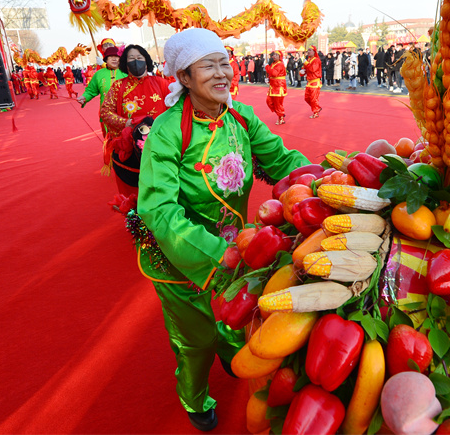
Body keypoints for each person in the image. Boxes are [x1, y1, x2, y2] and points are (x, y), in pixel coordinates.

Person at [137, 28, 309, 432]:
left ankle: (232, 352)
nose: (221, 74)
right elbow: (159, 210)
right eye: (207, 66)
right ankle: (194, 398)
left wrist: (320, 184)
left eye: (224, 63)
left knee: (236, 315)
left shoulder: (240, 117)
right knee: (195, 340)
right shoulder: (166, 132)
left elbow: (283, 161)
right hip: (179, 254)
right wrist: (220, 256)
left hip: (236, 242)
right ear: (183, 78)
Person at [101, 44, 171, 195]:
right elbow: (105, 112)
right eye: (131, 58)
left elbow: (175, 111)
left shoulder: (161, 83)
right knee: (134, 193)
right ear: (125, 64)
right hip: (129, 148)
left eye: (139, 58)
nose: (136, 61)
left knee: (162, 189)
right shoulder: (118, 86)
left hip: (160, 145)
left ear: (146, 61)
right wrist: (127, 123)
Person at [80, 47, 128, 135]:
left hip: (126, 112)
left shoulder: (127, 72)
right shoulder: (99, 74)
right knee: (110, 139)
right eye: (110, 57)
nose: (114, 59)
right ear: (106, 59)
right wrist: (84, 97)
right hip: (107, 113)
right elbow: (91, 90)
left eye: (116, 57)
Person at [265, 51, 287, 124]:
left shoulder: (280, 64)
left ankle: (281, 117)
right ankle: (280, 113)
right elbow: (271, 74)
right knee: (269, 101)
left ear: (280, 56)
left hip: (278, 86)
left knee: (278, 103)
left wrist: (267, 66)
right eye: (274, 55)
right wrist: (268, 79)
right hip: (272, 86)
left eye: (276, 55)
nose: (274, 56)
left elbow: (274, 73)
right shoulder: (273, 64)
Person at [302, 45, 322, 118]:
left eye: (310, 50)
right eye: (308, 50)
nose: (308, 51)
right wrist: (301, 72)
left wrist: (306, 63)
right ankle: (317, 108)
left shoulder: (316, 60)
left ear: (314, 51)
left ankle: (316, 111)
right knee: (307, 98)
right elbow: (305, 69)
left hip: (315, 81)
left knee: (314, 99)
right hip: (309, 81)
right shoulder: (308, 60)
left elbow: (313, 69)